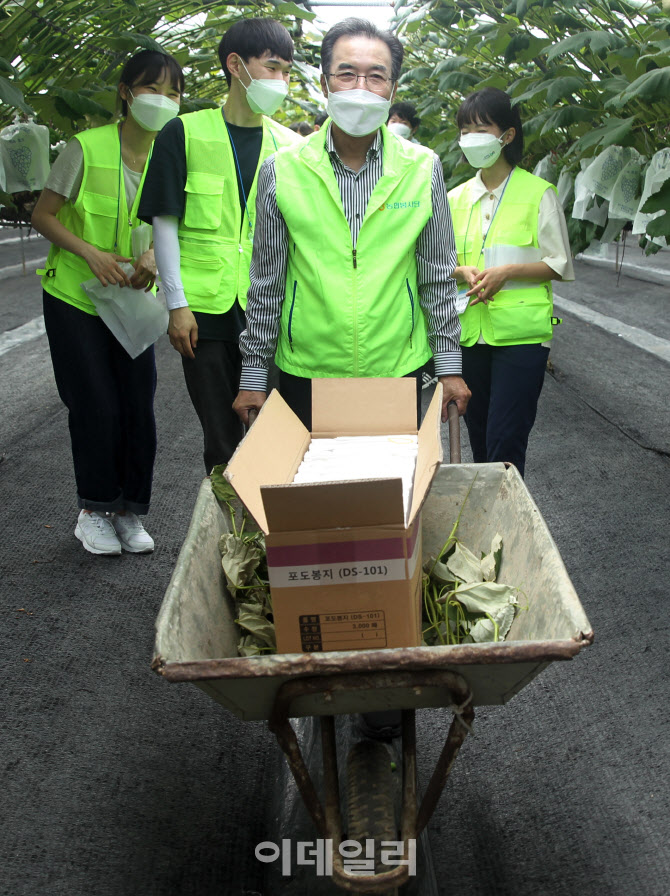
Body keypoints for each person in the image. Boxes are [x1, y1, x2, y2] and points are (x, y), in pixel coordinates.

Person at [233, 17, 470, 433]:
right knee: (314, 490)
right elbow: (266, 282)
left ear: (392, 89)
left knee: (389, 490)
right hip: (308, 368)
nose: (361, 87)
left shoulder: (421, 167)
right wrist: (253, 376)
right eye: (346, 74)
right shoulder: (282, 169)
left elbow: (436, 275)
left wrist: (449, 368)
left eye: (376, 76)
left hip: (395, 366)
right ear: (325, 85)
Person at [31, 49, 184, 556]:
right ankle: (94, 509)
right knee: (95, 403)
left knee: (138, 404)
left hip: (135, 299)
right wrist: (91, 253)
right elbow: (44, 215)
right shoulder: (86, 147)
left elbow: (180, 228)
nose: (161, 100)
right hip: (76, 294)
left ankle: (129, 511)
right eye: (151, 88)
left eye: (171, 92)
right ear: (125, 92)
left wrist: (155, 262)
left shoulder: (173, 153)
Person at [138, 18, 300, 474]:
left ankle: (274, 532)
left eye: (287, 71)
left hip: (267, 307)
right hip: (204, 312)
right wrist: (176, 304)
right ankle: (233, 535)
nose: (281, 81)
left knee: (274, 431)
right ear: (235, 65)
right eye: (272, 68)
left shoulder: (290, 147)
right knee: (220, 434)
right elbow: (165, 222)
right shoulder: (184, 133)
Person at [448, 87, 574, 477]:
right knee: (480, 435)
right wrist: (461, 271)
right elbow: (438, 260)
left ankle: (506, 529)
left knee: (506, 440)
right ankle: (489, 523)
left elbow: (559, 262)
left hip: (521, 337)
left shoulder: (538, 193)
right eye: (465, 129)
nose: (471, 137)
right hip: (470, 332)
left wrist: (509, 272)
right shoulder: (454, 197)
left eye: (481, 127)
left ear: (507, 135)